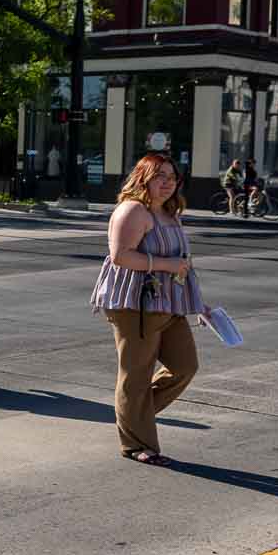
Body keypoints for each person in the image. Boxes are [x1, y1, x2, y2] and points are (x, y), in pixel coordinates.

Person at [93, 153, 208, 467]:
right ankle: (136, 442)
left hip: (169, 303)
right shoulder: (133, 211)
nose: (168, 183)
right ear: (143, 177)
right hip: (135, 304)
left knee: (185, 366)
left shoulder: (170, 213)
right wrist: (165, 265)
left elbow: (182, 263)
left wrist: (199, 303)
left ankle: (133, 415)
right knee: (136, 375)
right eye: (160, 176)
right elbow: (120, 256)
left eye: (172, 177)